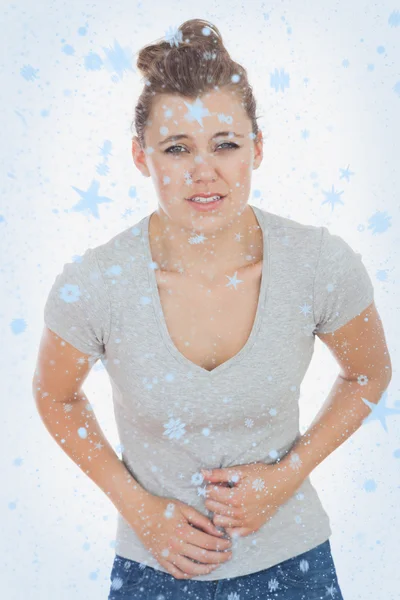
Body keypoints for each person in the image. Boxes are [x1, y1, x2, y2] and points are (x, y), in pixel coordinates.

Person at [33, 18, 392, 600]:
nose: (205, 172)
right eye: (177, 149)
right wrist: (138, 507)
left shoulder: (319, 264)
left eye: (226, 144)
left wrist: (286, 477)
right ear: (140, 156)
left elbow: (369, 373)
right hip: (154, 570)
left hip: (295, 567)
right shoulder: (96, 283)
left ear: (257, 148)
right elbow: (55, 394)